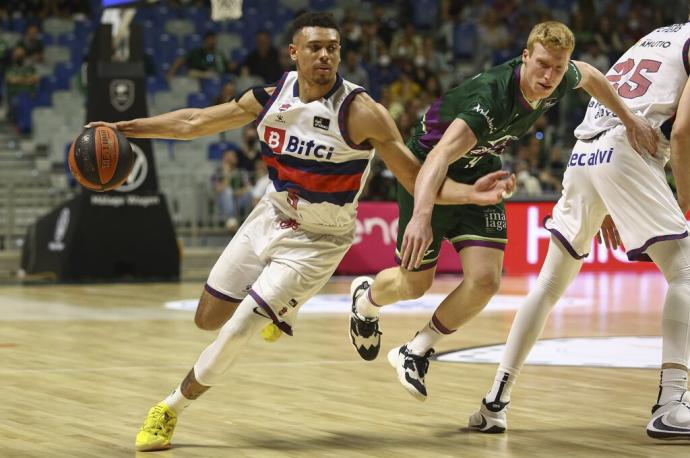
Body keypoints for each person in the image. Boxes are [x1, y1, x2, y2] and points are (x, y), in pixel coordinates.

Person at [86, 12, 515, 452]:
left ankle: (169, 409)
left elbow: (415, 178)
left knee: (237, 329)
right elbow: (195, 122)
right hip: (268, 215)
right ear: (294, 53)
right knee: (206, 319)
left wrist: (469, 195)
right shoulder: (272, 98)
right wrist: (126, 128)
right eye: (316, 47)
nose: (326, 55)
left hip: (318, 240)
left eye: (333, 47)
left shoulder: (364, 113)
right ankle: (283, 309)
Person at [347, 21, 658, 402]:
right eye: (542, 64)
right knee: (415, 285)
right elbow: (439, 157)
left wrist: (629, 120)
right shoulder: (490, 97)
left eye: (557, 68)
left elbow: (592, 76)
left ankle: (416, 349)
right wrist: (421, 216)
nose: (549, 76)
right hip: (428, 172)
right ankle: (365, 300)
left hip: (481, 172)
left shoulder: (562, 76)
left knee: (486, 281)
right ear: (525, 56)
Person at [468, 22, 690, 440]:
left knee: (550, 283)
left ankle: (494, 402)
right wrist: (684, 202)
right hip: (630, 148)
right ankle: (672, 403)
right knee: (686, 272)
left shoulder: (661, 34)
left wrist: (608, 195)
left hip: (587, 151)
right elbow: (681, 133)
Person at [167, 31, 231, 81]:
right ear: (205, 41)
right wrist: (170, 74)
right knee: (192, 73)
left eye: (214, 39)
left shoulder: (219, 54)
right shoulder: (196, 53)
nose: (212, 42)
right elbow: (180, 61)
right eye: (210, 39)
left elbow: (228, 65)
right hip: (199, 78)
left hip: (218, 78)